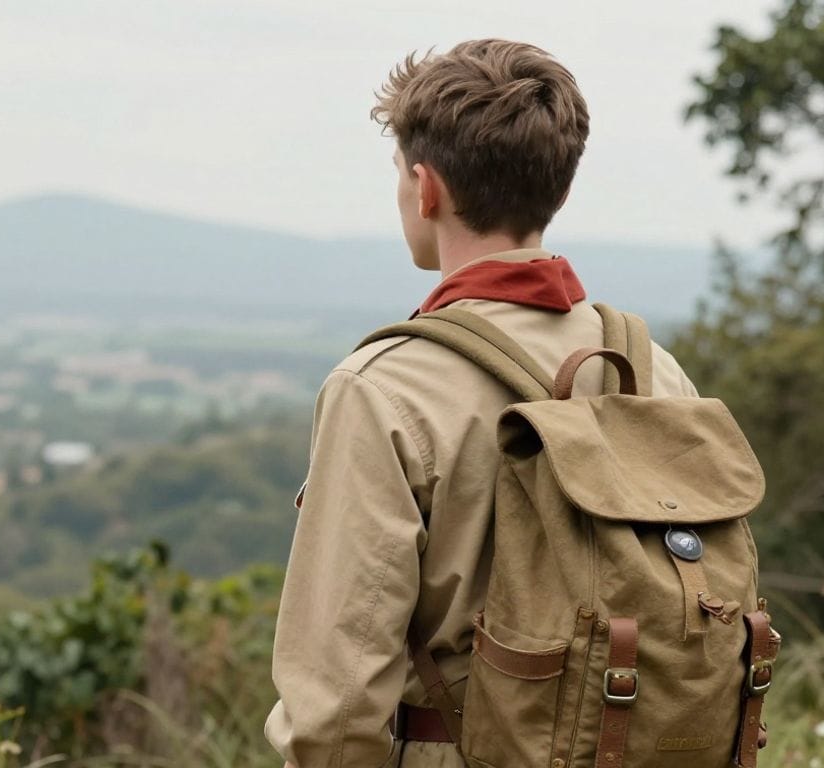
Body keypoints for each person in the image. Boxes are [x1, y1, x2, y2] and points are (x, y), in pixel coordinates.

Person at [264, 39, 701, 768]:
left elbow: (337, 703)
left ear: (425, 187)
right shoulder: (655, 371)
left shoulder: (382, 388)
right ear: (556, 187)